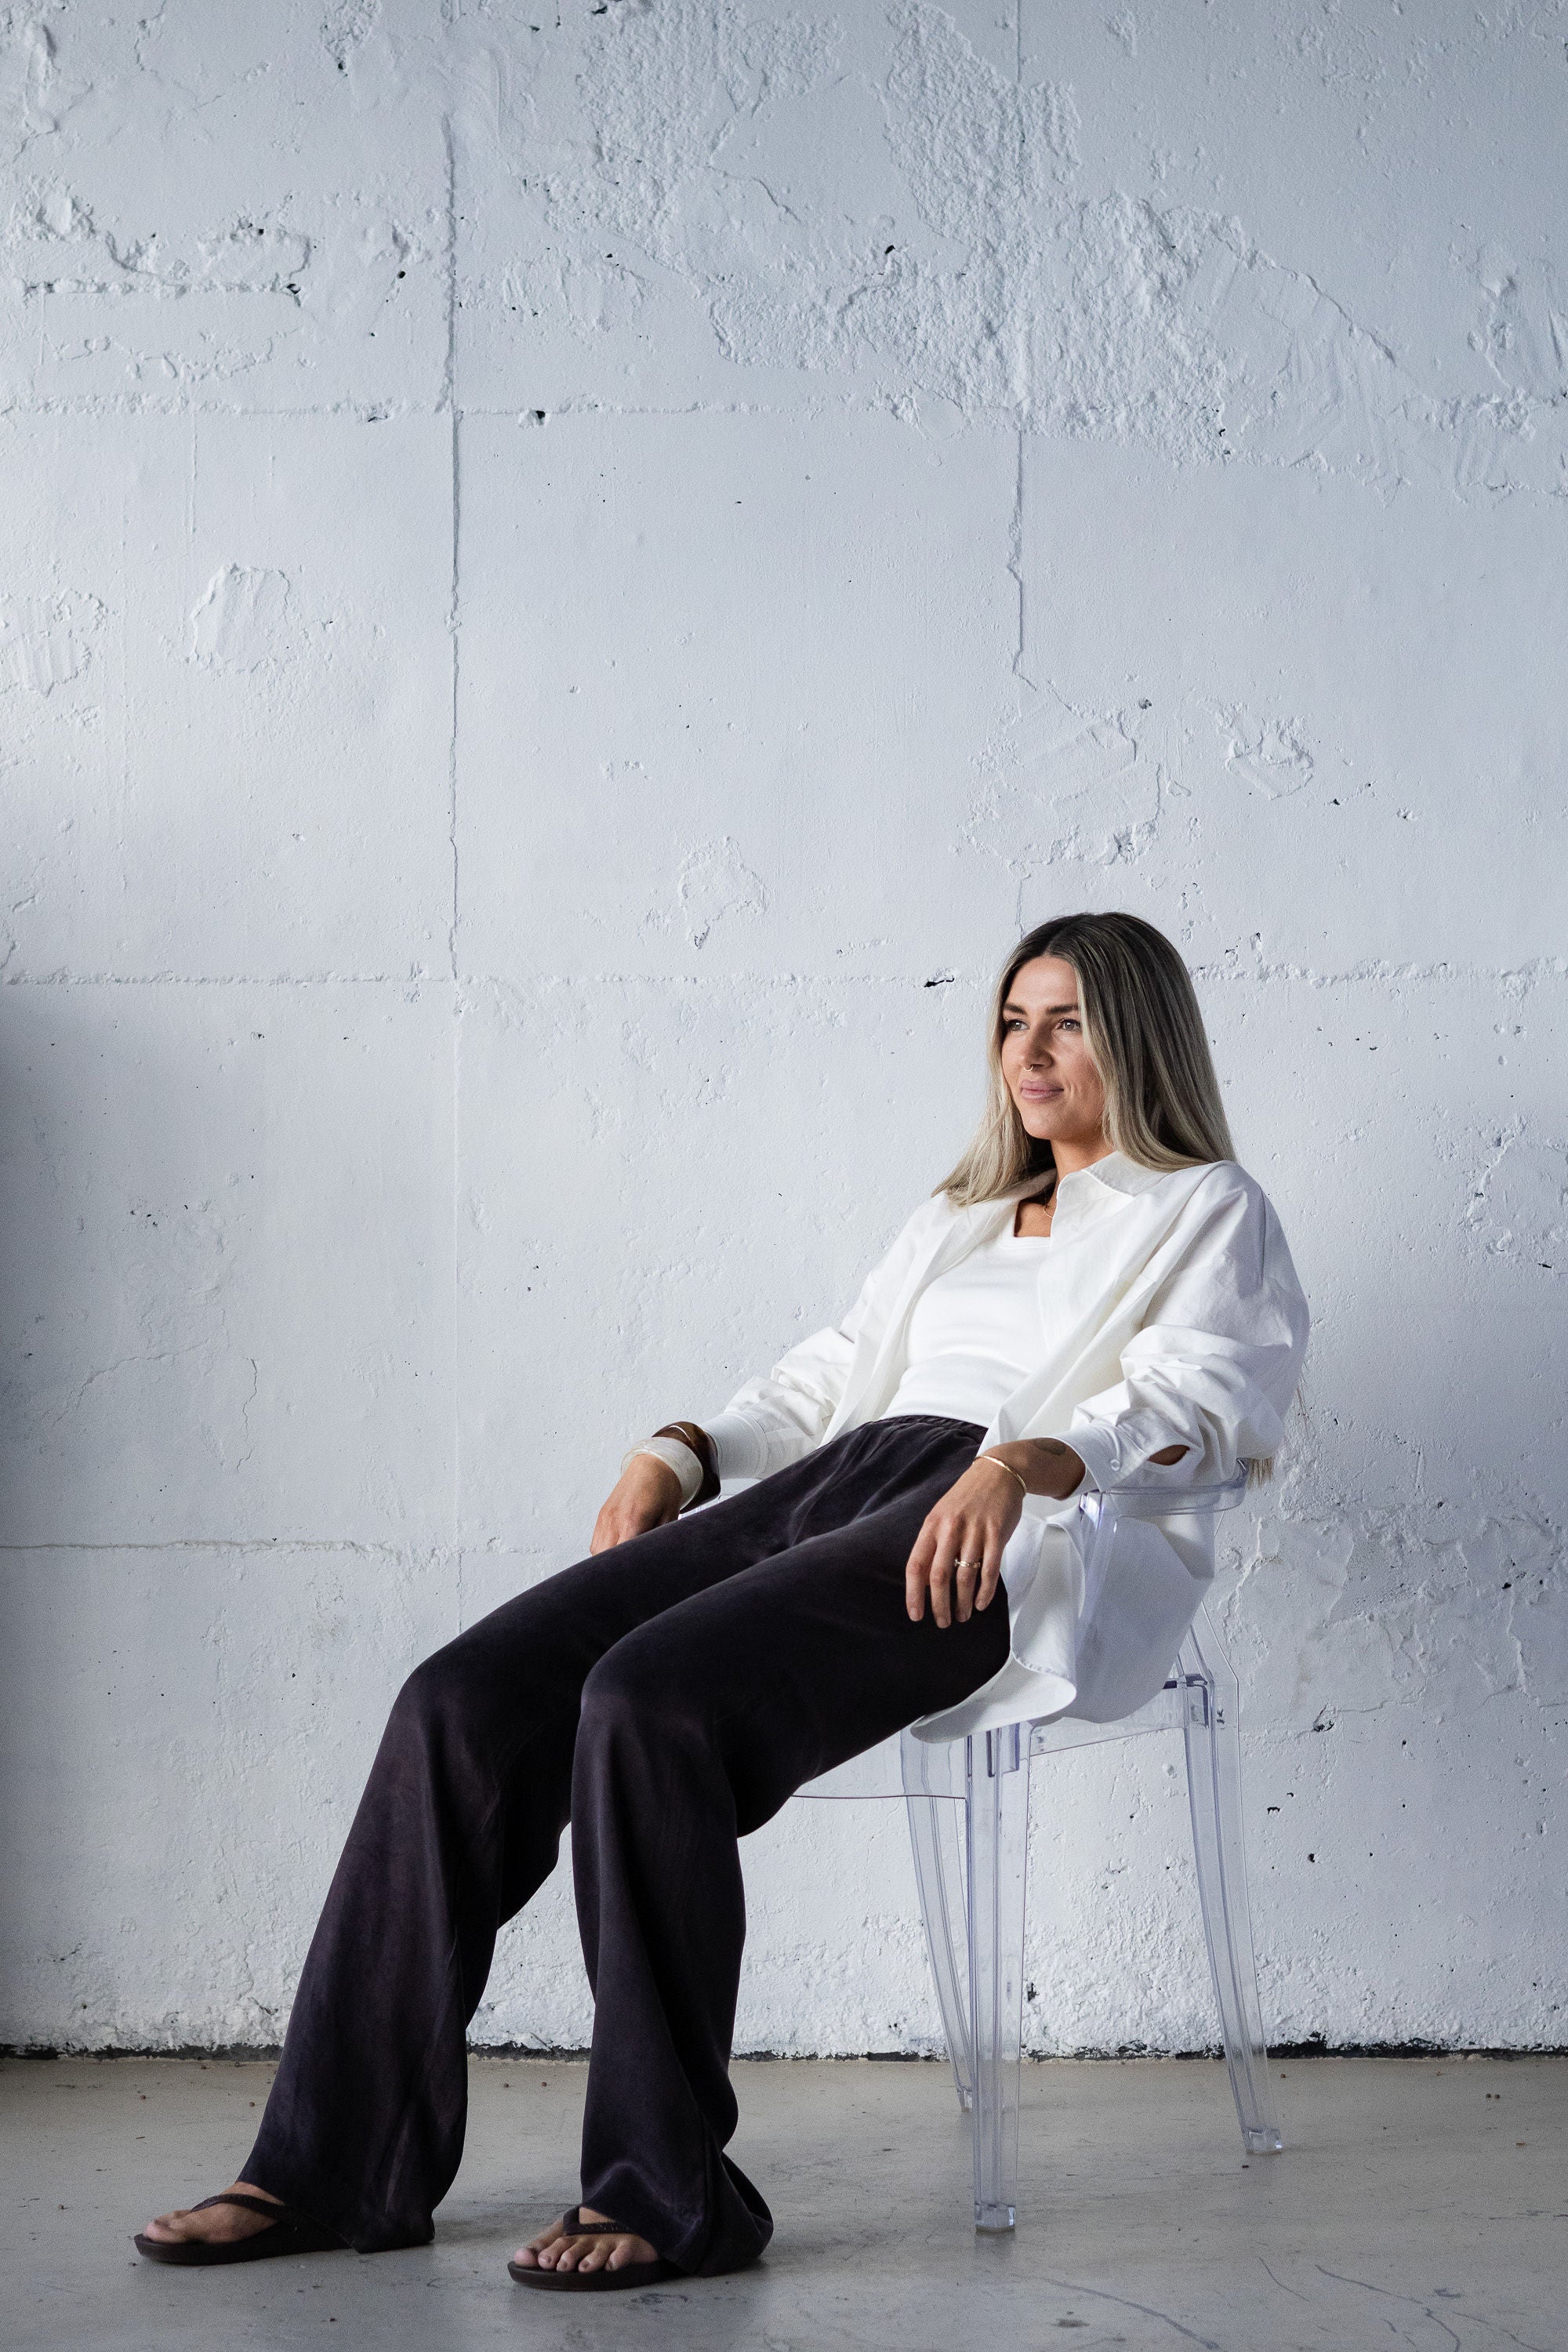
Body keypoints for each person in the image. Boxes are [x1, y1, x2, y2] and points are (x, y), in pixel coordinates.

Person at [136, 910, 1308, 2292]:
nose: (1028, 1052)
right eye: (1011, 1020)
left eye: (1066, 1021)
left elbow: (1207, 1395)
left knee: (649, 1701)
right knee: (458, 1700)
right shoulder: (961, 1216)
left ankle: (667, 2189)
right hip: (848, 1481)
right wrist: (682, 1450)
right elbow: (832, 1375)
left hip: (1005, 1529)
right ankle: (333, 2164)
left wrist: (1030, 1463)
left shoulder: (1206, 1208)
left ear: (1138, 1036)